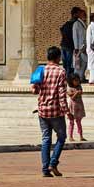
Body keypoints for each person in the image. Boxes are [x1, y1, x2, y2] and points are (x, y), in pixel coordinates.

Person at [33, 45, 69, 177]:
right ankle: (53, 163)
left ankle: (45, 169)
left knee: (46, 139)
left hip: (42, 110)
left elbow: (34, 89)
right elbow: (61, 94)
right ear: (58, 58)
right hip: (56, 112)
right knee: (61, 137)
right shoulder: (61, 72)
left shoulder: (41, 70)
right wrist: (67, 111)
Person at [59, 7, 83, 78]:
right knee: (69, 63)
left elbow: (61, 29)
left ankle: (67, 77)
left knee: (67, 63)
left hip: (65, 45)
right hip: (69, 46)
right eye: (78, 13)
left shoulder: (69, 23)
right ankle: (68, 78)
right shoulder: (74, 23)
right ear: (75, 14)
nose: (80, 15)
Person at [65, 73, 86, 142]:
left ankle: (81, 136)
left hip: (79, 105)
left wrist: (78, 92)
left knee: (79, 121)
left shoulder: (79, 86)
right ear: (71, 81)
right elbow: (72, 98)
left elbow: (81, 92)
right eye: (75, 81)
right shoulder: (69, 88)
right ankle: (70, 136)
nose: (77, 82)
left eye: (78, 80)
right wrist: (76, 93)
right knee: (71, 122)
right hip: (72, 106)